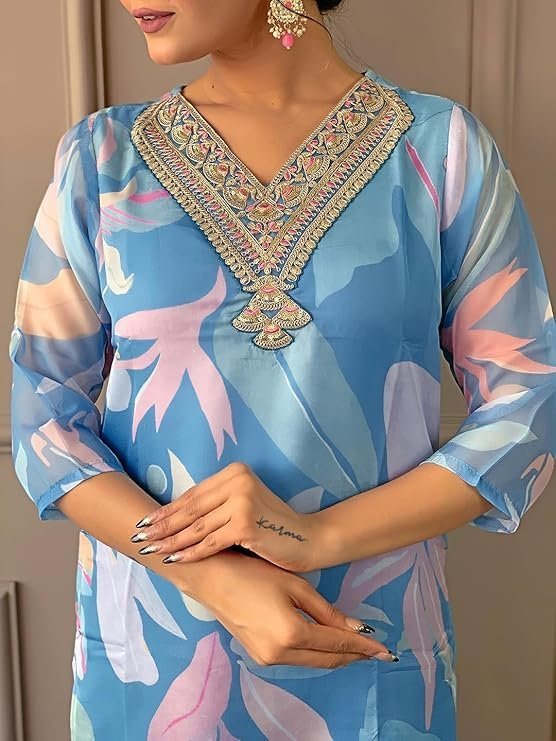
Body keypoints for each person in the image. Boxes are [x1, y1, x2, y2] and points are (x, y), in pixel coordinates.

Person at [8, 0, 556, 738]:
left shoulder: (442, 153)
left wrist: (316, 538)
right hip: (156, 660)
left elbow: (528, 405)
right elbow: (44, 415)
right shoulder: (102, 162)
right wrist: (212, 578)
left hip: (363, 638)